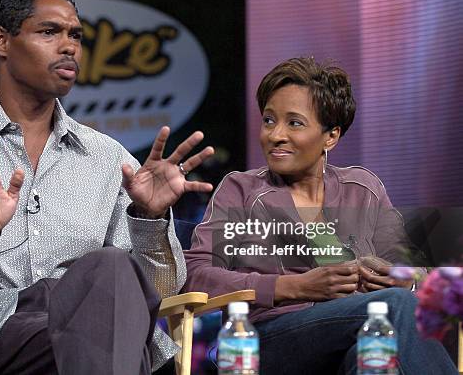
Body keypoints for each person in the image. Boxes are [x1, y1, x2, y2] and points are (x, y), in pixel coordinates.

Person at [0, 0, 215, 375]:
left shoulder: (109, 159)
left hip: (100, 329)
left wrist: (148, 220)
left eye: (75, 35)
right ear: (2, 41)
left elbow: (161, 292)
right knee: (111, 328)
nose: (70, 46)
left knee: (108, 274)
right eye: (49, 32)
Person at [183, 57, 458, 374]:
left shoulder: (363, 189)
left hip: (357, 336)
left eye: (294, 123)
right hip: (268, 342)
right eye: (269, 120)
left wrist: (403, 277)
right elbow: (196, 274)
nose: (275, 135)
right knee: (396, 308)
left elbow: (411, 269)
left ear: (331, 136)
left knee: (378, 360)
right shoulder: (240, 190)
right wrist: (293, 287)